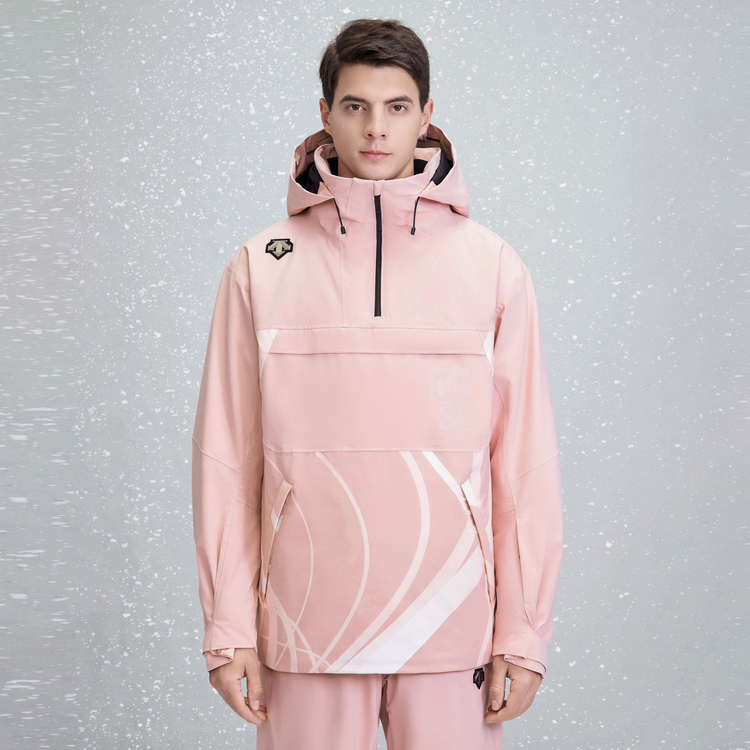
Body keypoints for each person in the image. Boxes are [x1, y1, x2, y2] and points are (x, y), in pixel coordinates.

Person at [191, 17, 563, 750]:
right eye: (355, 105)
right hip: (306, 622)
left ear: (426, 116)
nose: (375, 128)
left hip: (452, 624)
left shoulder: (492, 266)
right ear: (325, 113)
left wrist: (523, 631)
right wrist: (229, 626)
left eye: (396, 107)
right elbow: (227, 460)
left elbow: (523, 461)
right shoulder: (261, 265)